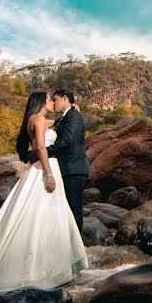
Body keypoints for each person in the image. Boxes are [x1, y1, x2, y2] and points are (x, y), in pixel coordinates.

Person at [0, 91, 88, 293]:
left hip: (49, 167)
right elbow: (41, 147)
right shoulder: (37, 119)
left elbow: (55, 125)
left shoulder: (38, 119)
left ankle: (52, 260)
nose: (51, 102)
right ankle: (46, 265)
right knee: (45, 215)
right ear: (40, 102)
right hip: (46, 169)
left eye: (54, 99)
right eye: (49, 99)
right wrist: (48, 174)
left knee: (49, 214)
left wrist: (70, 111)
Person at [29, 89, 90, 233]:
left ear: (64, 98)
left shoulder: (74, 116)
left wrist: (42, 152)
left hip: (74, 168)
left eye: (55, 99)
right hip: (65, 168)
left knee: (73, 208)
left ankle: (76, 247)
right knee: (65, 209)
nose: (53, 103)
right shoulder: (64, 118)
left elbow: (67, 141)